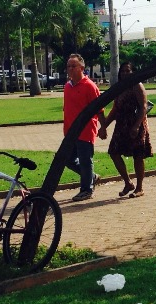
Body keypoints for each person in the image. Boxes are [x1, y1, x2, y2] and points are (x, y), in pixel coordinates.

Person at [98, 62, 153, 198]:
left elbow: (143, 107)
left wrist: (136, 126)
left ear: (133, 72)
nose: (125, 73)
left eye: (128, 71)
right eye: (122, 71)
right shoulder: (120, 88)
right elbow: (115, 109)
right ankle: (128, 182)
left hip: (136, 124)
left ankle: (139, 188)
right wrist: (104, 125)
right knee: (114, 152)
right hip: (121, 125)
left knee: (138, 156)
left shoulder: (137, 86)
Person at [63, 53, 107, 201]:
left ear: (82, 68)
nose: (70, 69)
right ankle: (91, 177)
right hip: (70, 131)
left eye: (73, 66)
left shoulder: (90, 86)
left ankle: (86, 190)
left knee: (85, 160)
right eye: (68, 66)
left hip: (86, 131)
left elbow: (99, 109)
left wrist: (103, 127)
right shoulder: (67, 86)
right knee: (67, 159)